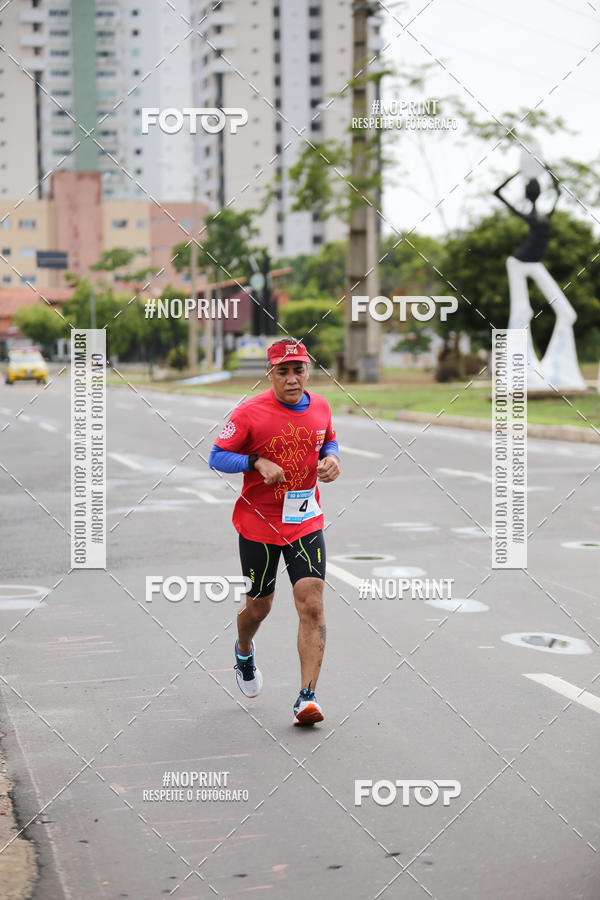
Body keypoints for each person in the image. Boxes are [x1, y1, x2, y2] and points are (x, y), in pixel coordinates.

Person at [208, 339, 340, 725]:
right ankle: (244, 649)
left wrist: (332, 458)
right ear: (270, 375)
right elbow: (217, 455)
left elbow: (326, 438)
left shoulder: (321, 406)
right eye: (282, 371)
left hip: (304, 520)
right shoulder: (250, 413)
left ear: (308, 370)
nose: (292, 378)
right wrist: (255, 461)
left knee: (311, 602)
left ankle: (306, 698)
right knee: (259, 607)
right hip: (259, 524)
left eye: (298, 369)